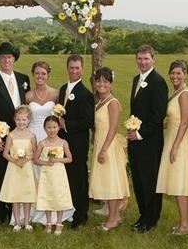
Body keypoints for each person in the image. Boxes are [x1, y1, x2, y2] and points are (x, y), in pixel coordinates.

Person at [156, 60, 188, 235]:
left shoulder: (185, 94)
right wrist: (167, 122)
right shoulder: (176, 92)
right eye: (173, 73)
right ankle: (182, 221)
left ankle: (186, 225)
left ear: (185, 74)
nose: (175, 76)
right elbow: (176, 117)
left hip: (181, 142)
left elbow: (185, 122)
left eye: (179, 73)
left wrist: (176, 146)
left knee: (181, 183)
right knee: (177, 182)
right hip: (172, 136)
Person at [0, 42, 30, 224]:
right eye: (3, 57)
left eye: (9, 57)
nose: (6, 60)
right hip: (1, 138)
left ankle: (20, 210)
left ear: (14, 59)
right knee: (1, 174)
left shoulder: (23, 79)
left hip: (22, 136)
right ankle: (0, 211)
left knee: (20, 171)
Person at [24, 61, 74, 226]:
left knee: (52, 175)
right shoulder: (28, 96)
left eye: (43, 74)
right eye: (37, 73)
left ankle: (55, 210)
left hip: (51, 135)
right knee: (34, 173)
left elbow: (60, 115)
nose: (40, 76)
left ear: (48, 75)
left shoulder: (55, 94)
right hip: (33, 136)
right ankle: (34, 212)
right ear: (33, 74)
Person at [127, 45, 169, 233]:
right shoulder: (137, 79)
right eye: (139, 59)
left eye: (146, 59)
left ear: (153, 59)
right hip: (134, 140)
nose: (142, 62)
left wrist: (140, 133)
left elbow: (158, 114)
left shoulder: (158, 82)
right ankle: (143, 215)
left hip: (150, 142)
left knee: (149, 181)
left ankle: (150, 219)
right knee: (138, 181)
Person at [88, 67, 130, 231]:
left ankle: (113, 218)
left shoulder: (113, 103)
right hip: (100, 142)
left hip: (109, 145)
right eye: (99, 81)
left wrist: (104, 149)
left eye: (105, 81)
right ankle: (115, 216)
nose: (101, 84)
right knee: (106, 180)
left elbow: (113, 128)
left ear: (111, 83)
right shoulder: (98, 102)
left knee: (111, 181)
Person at [57, 54, 94, 228]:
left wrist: (66, 124)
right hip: (63, 141)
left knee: (79, 178)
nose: (74, 71)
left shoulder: (85, 94)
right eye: (71, 67)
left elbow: (88, 122)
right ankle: (68, 211)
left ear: (82, 69)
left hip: (78, 143)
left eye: (77, 68)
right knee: (67, 177)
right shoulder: (63, 88)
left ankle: (81, 215)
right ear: (67, 68)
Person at [0, 106, 38, 231]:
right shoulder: (11, 135)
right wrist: (16, 161)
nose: (21, 122)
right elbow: (5, 153)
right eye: (19, 120)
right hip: (14, 169)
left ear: (28, 120)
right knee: (15, 195)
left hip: (27, 169)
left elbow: (35, 152)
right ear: (14, 120)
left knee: (27, 195)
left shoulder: (32, 135)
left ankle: (26, 222)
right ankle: (16, 222)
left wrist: (26, 159)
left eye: (24, 120)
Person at [34, 115, 73, 235]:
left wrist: (58, 160)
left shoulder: (63, 142)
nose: (52, 130)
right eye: (49, 127)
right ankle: (49, 222)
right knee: (48, 195)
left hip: (59, 175)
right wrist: (46, 162)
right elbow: (35, 159)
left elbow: (70, 159)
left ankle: (59, 222)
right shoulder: (42, 143)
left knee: (59, 196)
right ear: (44, 128)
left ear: (59, 127)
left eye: (54, 127)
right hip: (47, 175)